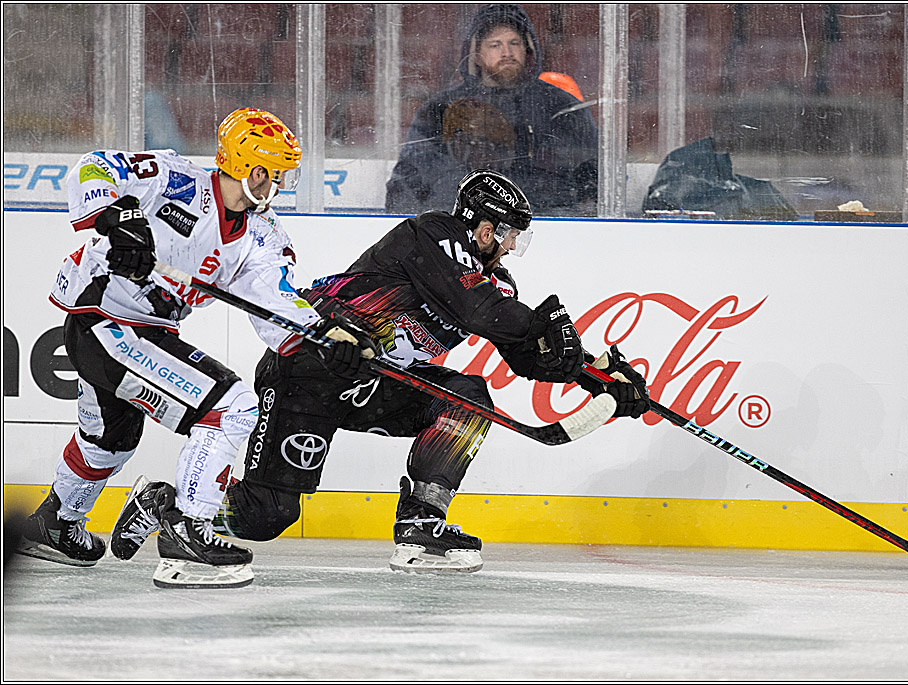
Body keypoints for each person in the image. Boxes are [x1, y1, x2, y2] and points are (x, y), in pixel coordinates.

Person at [113, 169, 649, 574]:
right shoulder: (430, 236)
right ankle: (168, 503)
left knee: (467, 396)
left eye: (517, 238)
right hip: (309, 365)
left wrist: (599, 378)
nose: (510, 246)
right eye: (505, 233)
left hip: (374, 382)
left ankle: (421, 523)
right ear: (478, 226)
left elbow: (529, 354)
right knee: (266, 517)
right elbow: (480, 314)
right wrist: (553, 336)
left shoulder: (497, 284)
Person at [16, 108, 368, 589]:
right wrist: (117, 218)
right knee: (232, 408)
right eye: (277, 175)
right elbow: (93, 166)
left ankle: (56, 523)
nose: (279, 186)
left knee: (109, 440)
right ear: (253, 170)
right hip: (105, 317)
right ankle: (187, 526)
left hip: (141, 330)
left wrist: (326, 336)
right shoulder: (176, 179)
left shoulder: (263, 238)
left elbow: (276, 304)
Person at [386, 4, 598, 217]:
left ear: (527, 49)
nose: (507, 53)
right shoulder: (440, 108)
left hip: (548, 227)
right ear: (477, 54)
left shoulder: (562, 107)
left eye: (514, 43)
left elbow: (591, 178)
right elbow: (408, 181)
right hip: (461, 232)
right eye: (495, 45)